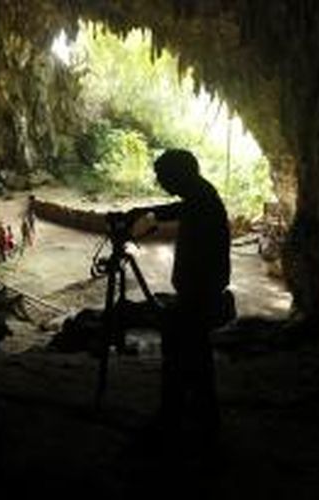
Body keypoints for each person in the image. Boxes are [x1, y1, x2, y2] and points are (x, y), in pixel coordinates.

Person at [128, 149, 232, 454]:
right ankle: (198, 419)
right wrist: (145, 211)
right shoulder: (201, 195)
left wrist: (143, 214)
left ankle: (175, 421)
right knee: (194, 358)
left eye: (163, 176)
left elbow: (179, 210)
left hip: (197, 295)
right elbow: (177, 209)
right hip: (200, 291)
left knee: (181, 358)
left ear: (179, 174)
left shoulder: (200, 201)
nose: (160, 181)